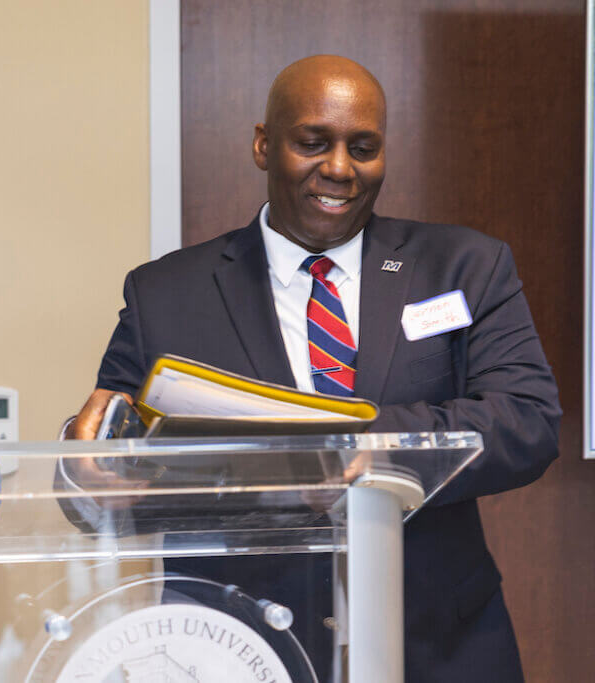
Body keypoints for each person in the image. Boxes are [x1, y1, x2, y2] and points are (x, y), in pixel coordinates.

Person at [67, 55, 560, 682]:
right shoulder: (165, 293)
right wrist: (87, 469)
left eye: (363, 147)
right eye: (312, 142)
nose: (339, 168)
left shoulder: (464, 267)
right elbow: (105, 456)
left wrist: (368, 448)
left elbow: (528, 421)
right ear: (263, 145)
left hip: (439, 643)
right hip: (237, 649)